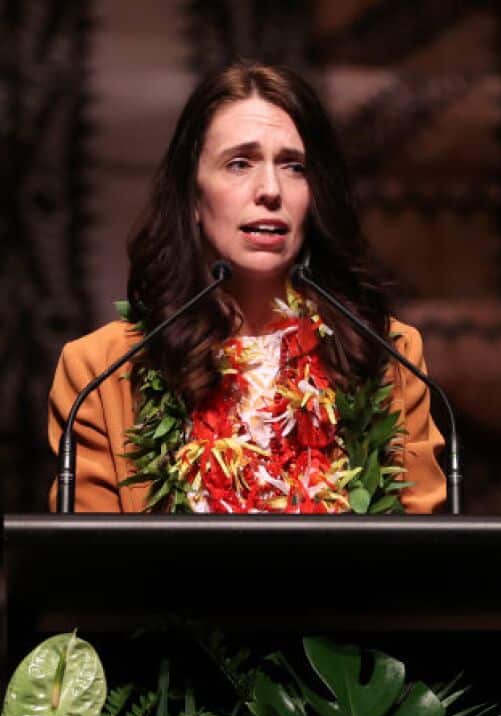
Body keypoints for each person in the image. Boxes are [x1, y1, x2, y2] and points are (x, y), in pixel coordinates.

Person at [47, 60, 446, 513]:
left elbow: (421, 560)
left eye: (294, 166)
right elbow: (85, 569)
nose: (270, 189)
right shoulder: (100, 372)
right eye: (240, 163)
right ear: (193, 197)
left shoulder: (387, 358)